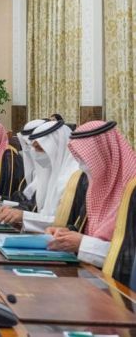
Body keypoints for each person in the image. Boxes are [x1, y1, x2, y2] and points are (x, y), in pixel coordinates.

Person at [47, 121, 136, 284]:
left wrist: (83, 244)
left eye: (85, 158)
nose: (81, 165)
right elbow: (86, 229)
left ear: (104, 154)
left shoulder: (133, 190)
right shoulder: (94, 185)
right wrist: (65, 234)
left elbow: (130, 258)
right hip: (92, 276)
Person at [0, 120, 87, 232]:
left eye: (39, 148)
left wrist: (23, 216)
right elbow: (35, 208)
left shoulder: (77, 178)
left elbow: (69, 224)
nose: (34, 153)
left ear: (56, 147)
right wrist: (8, 207)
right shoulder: (50, 172)